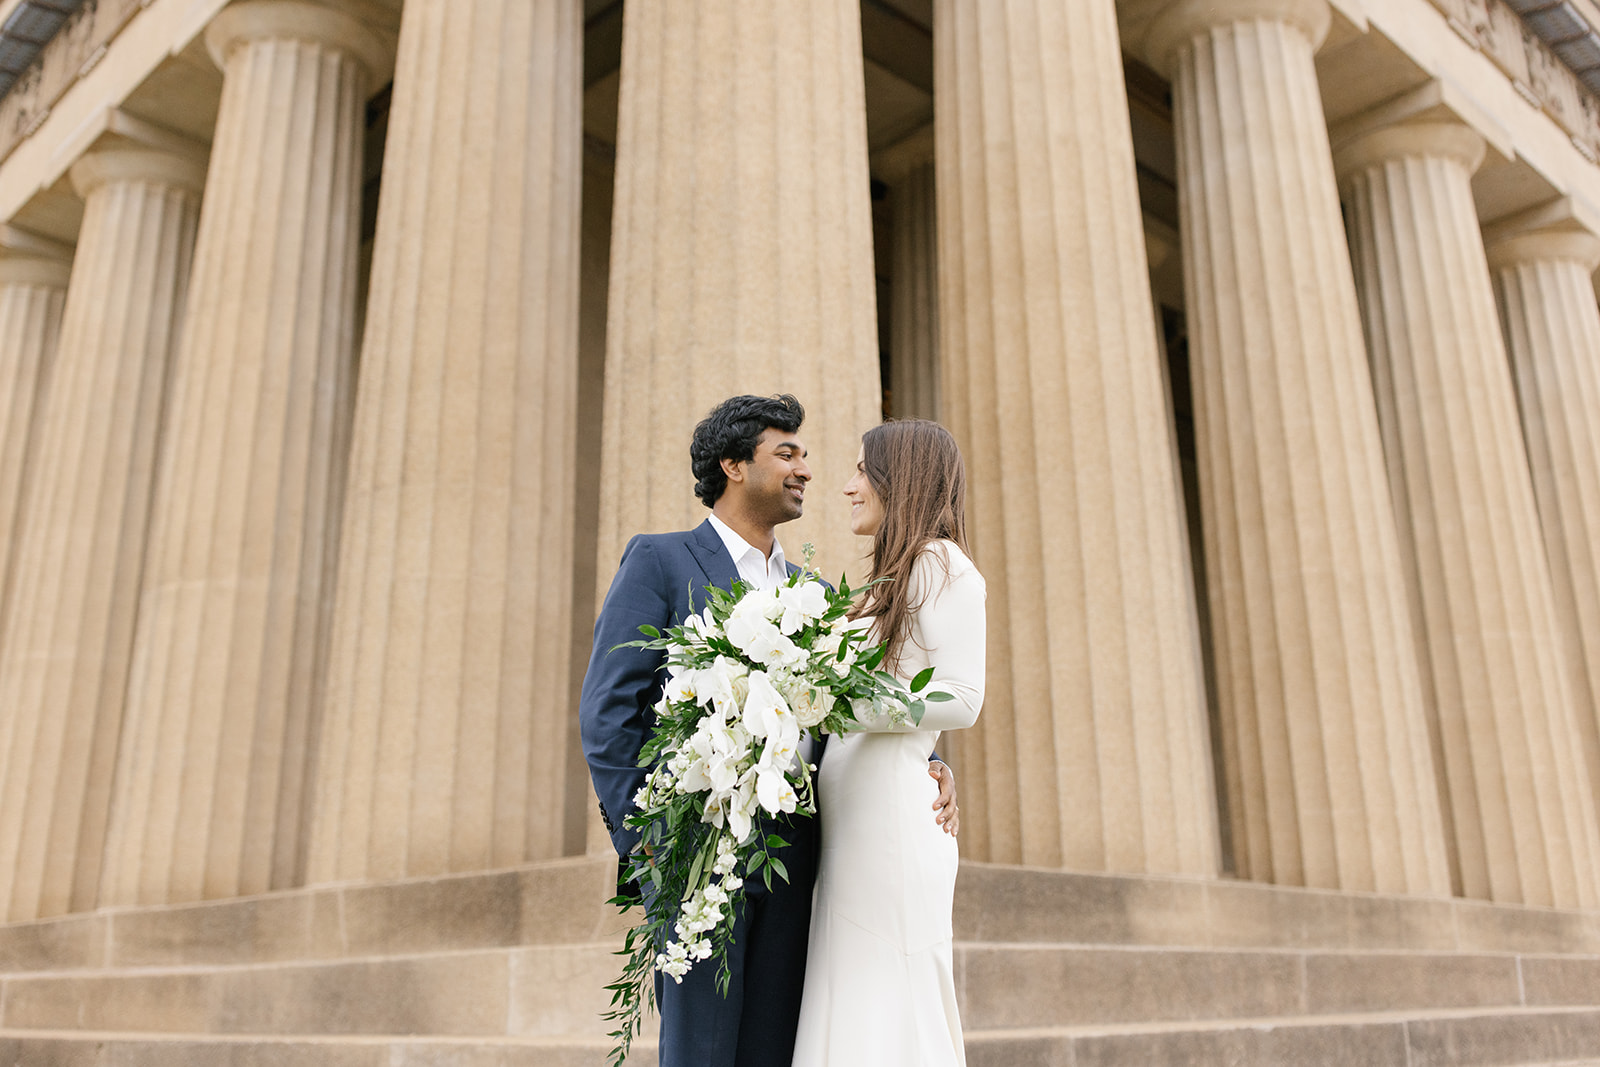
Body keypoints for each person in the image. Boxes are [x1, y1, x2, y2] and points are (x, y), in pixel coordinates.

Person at [579, 394, 959, 1067]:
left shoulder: (816, 594)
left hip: (794, 868)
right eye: (787, 452)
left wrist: (927, 762)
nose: (805, 468)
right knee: (700, 1053)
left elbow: (850, 710)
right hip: (697, 867)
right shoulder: (661, 562)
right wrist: (653, 847)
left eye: (804, 454)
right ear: (732, 464)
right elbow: (607, 715)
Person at [792, 419, 986, 1067]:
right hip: (856, 828)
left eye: (860, 472)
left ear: (897, 478)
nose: (847, 487)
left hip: (894, 831)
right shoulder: (885, 583)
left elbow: (960, 697)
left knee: (888, 1006)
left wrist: (840, 698)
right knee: (854, 1002)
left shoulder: (940, 561)